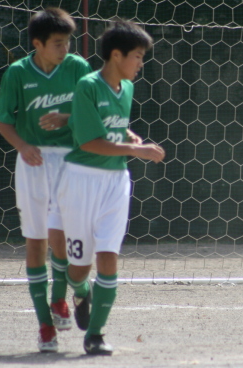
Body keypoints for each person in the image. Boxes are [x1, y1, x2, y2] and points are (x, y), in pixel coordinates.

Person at [57, 18, 165, 355]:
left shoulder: (127, 88)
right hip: (80, 181)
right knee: (79, 268)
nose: (141, 63)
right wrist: (136, 149)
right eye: (137, 56)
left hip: (115, 182)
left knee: (108, 256)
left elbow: (112, 128)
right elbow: (89, 142)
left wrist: (127, 134)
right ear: (116, 55)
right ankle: (80, 292)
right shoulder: (88, 86)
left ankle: (95, 335)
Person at [0, 8, 91, 352]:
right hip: (32, 162)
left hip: (70, 160)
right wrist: (22, 146)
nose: (65, 49)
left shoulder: (78, 68)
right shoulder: (18, 73)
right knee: (35, 241)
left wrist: (66, 117)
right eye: (58, 43)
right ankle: (46, 327)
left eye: (68, 42)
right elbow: (4, 121)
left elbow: (93, 112)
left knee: (61, 237)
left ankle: (63, 296)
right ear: (37, 44)